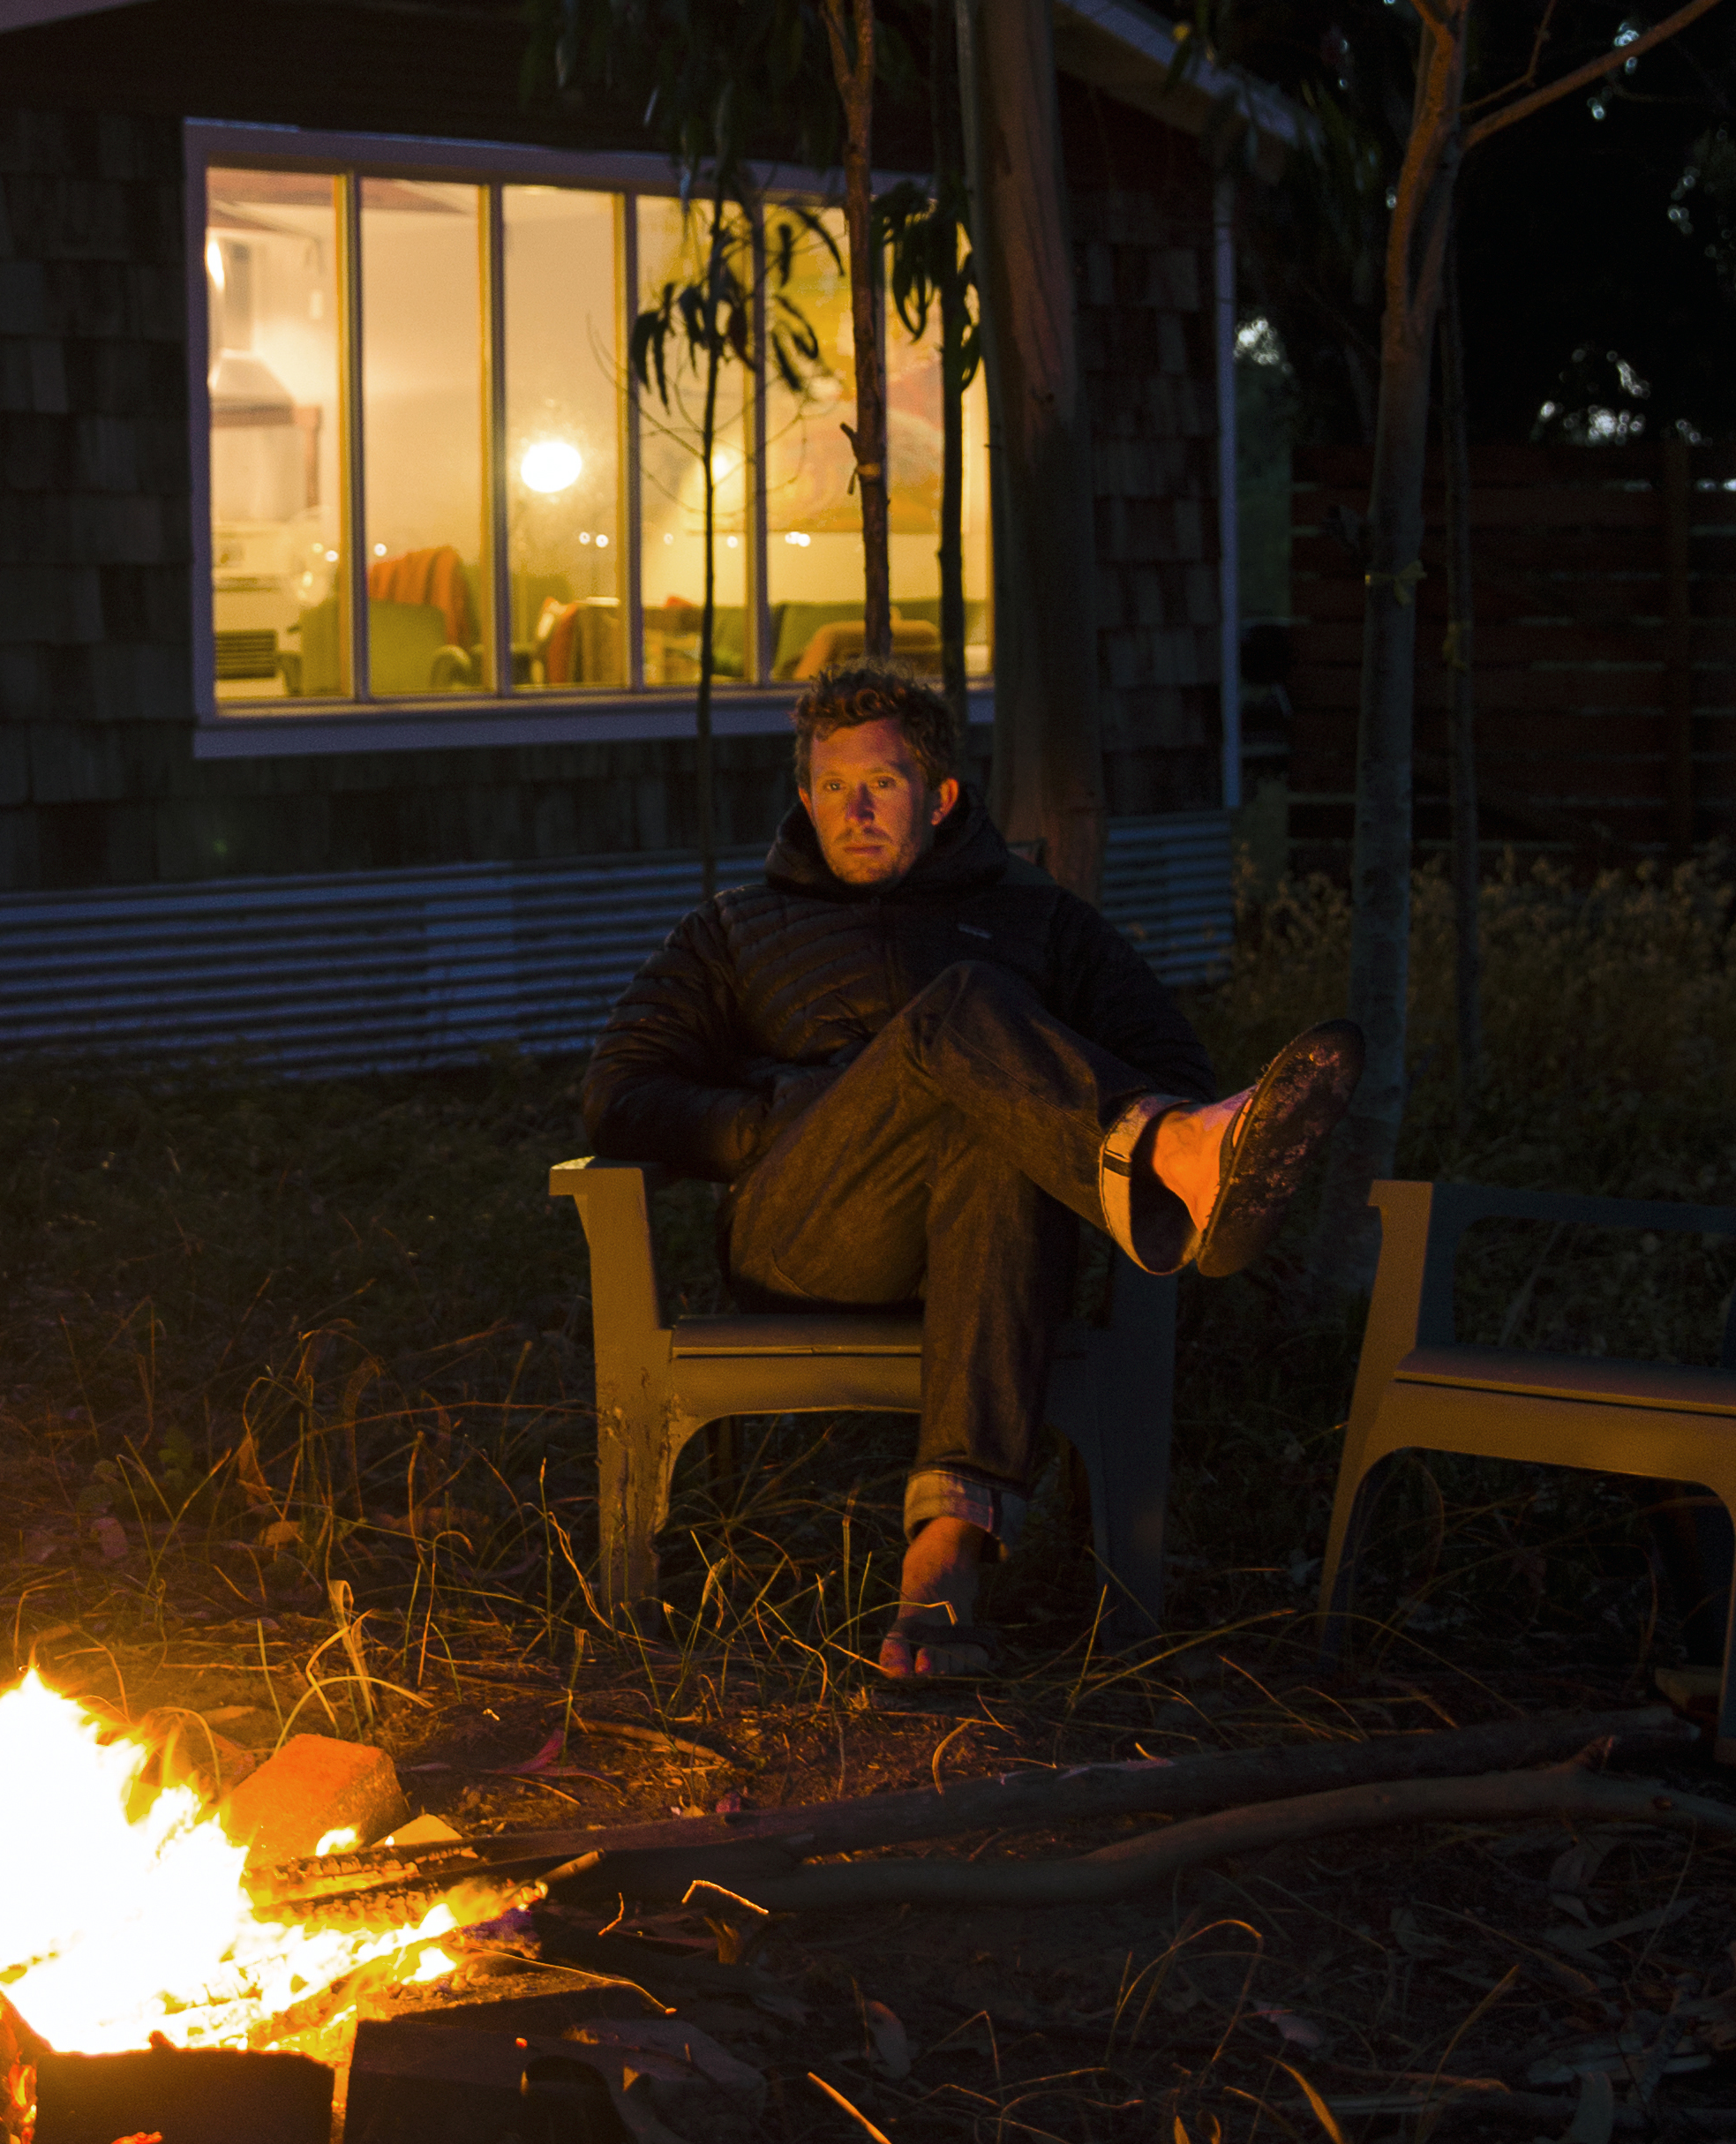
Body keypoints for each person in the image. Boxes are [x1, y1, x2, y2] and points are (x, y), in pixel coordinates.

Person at [578, 660, 1362, 1682]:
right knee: (961, 1009)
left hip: (991, 1240)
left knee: (989, 1129)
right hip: (810, 1228)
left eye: (884, 784)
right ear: (803, 796)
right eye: (830, 788)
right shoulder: (734, 929)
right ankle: (1171, 1161)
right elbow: (618, 1094)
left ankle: (945, 1551)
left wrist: (1019, 1095)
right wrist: (771, 1121)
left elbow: (1172, 1065)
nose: (853, 811)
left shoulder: (1044, 921)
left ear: (941, 797)